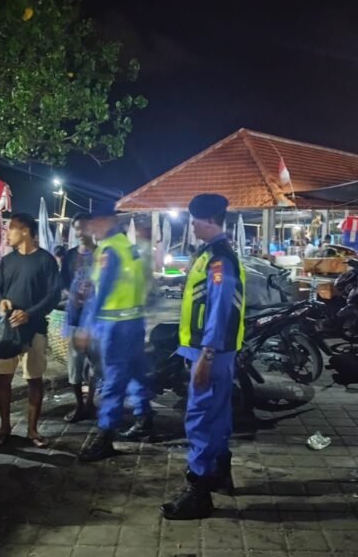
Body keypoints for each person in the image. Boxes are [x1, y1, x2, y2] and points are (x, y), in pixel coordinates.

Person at [161, 194, 246, 520]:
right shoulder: (213, 254)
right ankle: (220, 473)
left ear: (208, 220)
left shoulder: (219, 259)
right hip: (217, 351)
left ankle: (198, 491)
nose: (191, 226)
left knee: (199, 418)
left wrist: (205, 355)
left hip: (210, 351)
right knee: (218, 415)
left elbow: (219, 308)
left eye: (194, 221)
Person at [78, 204, 153, 462]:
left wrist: (88, 326)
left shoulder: (109, 250)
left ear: (108, 221)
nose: (91, 228)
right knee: (135, 372)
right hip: (134, 320)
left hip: (115, 326)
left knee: (113, 380)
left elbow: (105, 289)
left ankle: (105, 435)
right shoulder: (127, 246)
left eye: (95, 223)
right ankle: (144, 419)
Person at [0, 213, 60, 448]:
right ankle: (4, 427)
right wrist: (0, 302)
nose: (7, 233)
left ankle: (32, 430)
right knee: (4, 379)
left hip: (35, 330)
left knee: (34, 380)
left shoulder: (45, 260)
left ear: (25, 231)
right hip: (8, 330)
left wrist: (30, 313)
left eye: (11, 229)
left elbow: (53, 296)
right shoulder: (7, 261)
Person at [61, 213, 101, 423]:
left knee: (96, 363)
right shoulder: (69, 256)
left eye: (84, 227)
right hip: (75, 318)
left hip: (96, 320)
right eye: (77, 228)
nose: (80, 232)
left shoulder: (103, 254)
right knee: (75, 364)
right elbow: (64, 282)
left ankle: (90, 403)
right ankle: (79, 405)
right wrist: (72, 295)